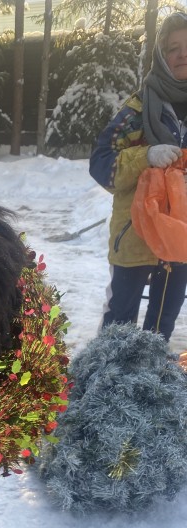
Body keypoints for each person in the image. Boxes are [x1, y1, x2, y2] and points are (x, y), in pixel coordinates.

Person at [89, 11, 187, 342]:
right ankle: (106, 387)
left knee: (162, 325)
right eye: (174, 48)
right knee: (119, 326)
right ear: (161, 55)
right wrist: (145, 156)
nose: (183, 55)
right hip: (135, 237)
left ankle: (148, 387)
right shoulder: (136, 111)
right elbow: (102, 165)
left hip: (179, 239)